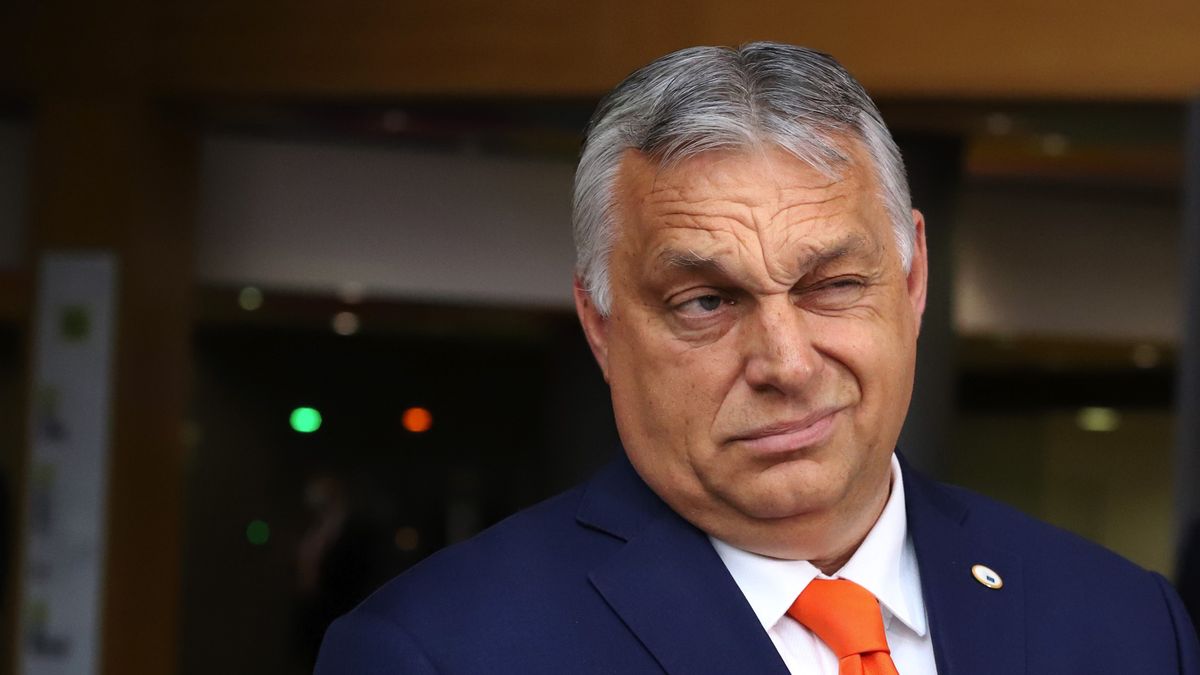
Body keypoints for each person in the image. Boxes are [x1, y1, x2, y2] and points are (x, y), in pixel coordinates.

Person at [315, 42, 1200, 674]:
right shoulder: (438, 650)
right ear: (601, 322)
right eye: (706, 301)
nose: (784, 360)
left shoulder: (1123, 622)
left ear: (914, 274)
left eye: (832, 283)